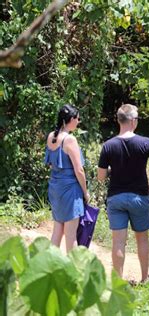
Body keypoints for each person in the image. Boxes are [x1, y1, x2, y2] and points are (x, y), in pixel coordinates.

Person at [97, 104, 149, 283]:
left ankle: (117, 282)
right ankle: (144, 279)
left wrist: (113, 169)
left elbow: (101, 177)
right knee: (142, 239)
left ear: (119, 120)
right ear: (133, 121)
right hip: (139, 198)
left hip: (115, 198)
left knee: (118, 242)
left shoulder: (108, 146)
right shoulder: (145, 143)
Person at [45, 104, 89, 253]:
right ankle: (73, 273)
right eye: (77, 118)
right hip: (70, 189)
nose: (78, 121)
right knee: (71, 236)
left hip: (55, 187)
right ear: (69, 120)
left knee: (58, 230)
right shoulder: (70, 140)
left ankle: (50, 267)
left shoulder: (51, 136)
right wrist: (85, 192)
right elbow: (79, 170)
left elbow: (52, 164)